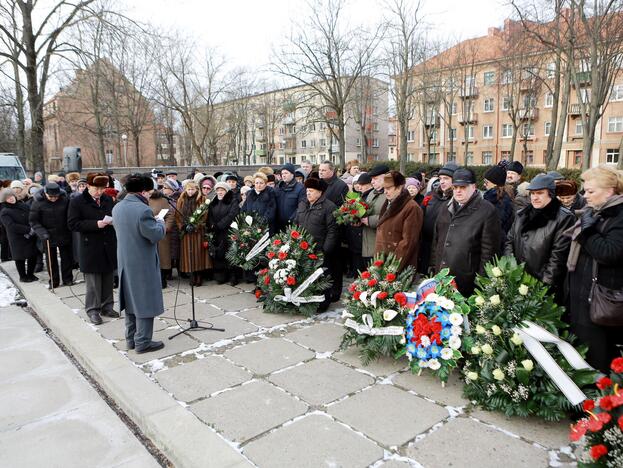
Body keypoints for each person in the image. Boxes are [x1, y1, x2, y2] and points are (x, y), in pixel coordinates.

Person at [566, 166, 623, 373]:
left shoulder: (619, 215)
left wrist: (588, 232)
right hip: (582, 296)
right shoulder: (594, 212)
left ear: (609, 191)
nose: (585, 196)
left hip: (602, 301)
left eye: (591, 191)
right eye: (585, 191)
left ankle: (599, 401)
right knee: (582, 352)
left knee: (598, 355)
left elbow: (609, 252)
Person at [112, 174, 166, 354]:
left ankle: (131, 339)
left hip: (125, 262)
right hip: (142, 263)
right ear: (142, 192)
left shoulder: (118, 207)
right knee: (144, 301)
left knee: (130, 301)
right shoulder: (143, 211)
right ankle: (143, 341)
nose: (150, 196)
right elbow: (155, 235)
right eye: (149, 193)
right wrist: (160, 223)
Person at [431, 168, 501, 296]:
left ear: (473, 187)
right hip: (441, 277)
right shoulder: (445, 207)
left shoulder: (487, 210)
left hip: (466, 281)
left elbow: (489, 252)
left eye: (463, 187)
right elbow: (437, 240)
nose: (458, 191)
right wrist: (433, 267)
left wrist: (480, 283)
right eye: (455, 187)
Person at [505, 174, 575, 299]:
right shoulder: (522, 214)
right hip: (517, 282)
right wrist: (512, 272)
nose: (535, 197)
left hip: (542, 288)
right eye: (532, 193)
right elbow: (509, 241)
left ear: (551, 194)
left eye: (540, 193)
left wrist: (543, 288)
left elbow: (558, 258)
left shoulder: (563, 218)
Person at [68, 173, 118, 324]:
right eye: (96, 188)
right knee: (93, 282)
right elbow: (73, 224)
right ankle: (93, 309)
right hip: (90, 245)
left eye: (102, 188)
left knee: (108, 278)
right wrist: (95, 224)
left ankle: (107, 306)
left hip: (108, 244)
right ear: (88, 186)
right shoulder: (78, 201)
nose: (99, 192)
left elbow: (113, 214)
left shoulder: (108, 199)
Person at [295, 177, 339, 311]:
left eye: (311, 191)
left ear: (320, 192)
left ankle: (322, 303)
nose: (308, 193)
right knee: (306, 275)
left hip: (320, 249)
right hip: (304, 248)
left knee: (322, 278)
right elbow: (297, 223)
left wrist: (326, 249)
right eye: (307, 190)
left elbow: (333, 230)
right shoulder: (302, 204)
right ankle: (307, 300)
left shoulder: (329, 206)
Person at [375, 171, 423, 272]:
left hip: (398, 266)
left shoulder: (412, 208)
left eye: (388, 188)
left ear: (400, 187)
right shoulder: (389, 203)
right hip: (382, 261)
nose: (385, 192)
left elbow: (408, 242)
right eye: (384, 188)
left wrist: (393, 267)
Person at [29, 182, 74, 288]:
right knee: (51, 259)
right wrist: (42, 233)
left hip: (64, 232)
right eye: (51, 197)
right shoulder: (38, 202)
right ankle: (54, 281)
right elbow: (33, 221)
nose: (54, 198)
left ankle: (68, 279)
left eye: (56, 196)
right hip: (47, 235)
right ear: (45, 193)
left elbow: (70, 215)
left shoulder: (64, 199)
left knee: (67, 258)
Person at [420, 162, 457, 274]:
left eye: (446, 178)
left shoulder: (456, 199)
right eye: (440, 178)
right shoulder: (432, 195)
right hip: (426, 245)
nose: (442, 181)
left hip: (443, 247)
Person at [176, 181, 212, 286]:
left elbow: (204, 214)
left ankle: (199, 275)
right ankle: (191, 275)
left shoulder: (202, 199)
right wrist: (182, 226)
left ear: (197, 189)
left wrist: (196, 225)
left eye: (192, 189)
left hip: (198, 232)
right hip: (186, 232)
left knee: (198, 254)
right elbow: (177, 215)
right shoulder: (181, 200)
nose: (190, 192)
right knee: (188, 255)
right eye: (188, 189)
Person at [0, 189, 38, 282]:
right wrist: (28, 229)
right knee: (20, 257)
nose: (11, 199)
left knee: (33, 255)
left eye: (12, 196)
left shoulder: (23, 205)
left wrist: (32, 227)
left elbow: (31, 217)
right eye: (8, 198)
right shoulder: (4, 211)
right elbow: (10, 226)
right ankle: (23, 276)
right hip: (17, 237)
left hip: (30, 235)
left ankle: (30, 274)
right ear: (4, 199)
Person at [206, 182, 240, 285]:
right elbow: (210, 214)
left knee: (230, 253)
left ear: (226, 191)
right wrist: (212, 225)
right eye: (218, 190)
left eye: (222, 190)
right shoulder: (214, 201)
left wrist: (219, 225)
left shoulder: (232, 200)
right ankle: (221, 276)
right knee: (219, 254)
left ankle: (233, 276)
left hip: (228, 231)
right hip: (217, 232)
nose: (220, 192)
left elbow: (232, 214)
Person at [361, 164, 389, 266]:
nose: (372, 181)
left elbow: (391, 216)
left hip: (382, 245)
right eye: (371, 179)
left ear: (385, 178)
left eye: (375, 179)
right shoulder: (371, 193)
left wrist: (369, 220)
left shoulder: (389, 194)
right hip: (367, 244)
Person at [148, 189, 175, 289]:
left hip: (161, 233)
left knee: (162, 258)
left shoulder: (162, 200)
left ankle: (162, 280)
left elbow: (169, 215)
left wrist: (166, 227)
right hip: (147, 233)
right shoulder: (141, 200)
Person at [483, 164, 515, 248]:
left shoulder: (500, 201)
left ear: (495, 183)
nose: (484, 185)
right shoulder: (499, 197)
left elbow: (494, 228)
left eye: (486, 182)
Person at [275, 163, 305, 231]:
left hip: (293, 226)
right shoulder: (278, 188)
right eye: (282, 174)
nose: (283, 175)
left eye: (286, 173)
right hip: (279, 225)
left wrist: (292, 220)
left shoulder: (300, 188)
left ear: (292, 174)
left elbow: (301, 207)